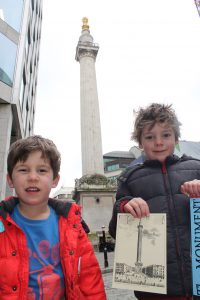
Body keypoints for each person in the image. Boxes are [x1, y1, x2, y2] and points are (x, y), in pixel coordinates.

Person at [109, 103, 200, 300]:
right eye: (150, 137)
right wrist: (125, 206)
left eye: (166, 135)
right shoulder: (129, 178)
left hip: (197, 280)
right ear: (140, 142)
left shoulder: (196, 168)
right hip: (156, 290)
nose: (159, 142)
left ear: (176, 138)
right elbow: (116, 231)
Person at [0, 135, 106, 300]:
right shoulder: (2, 224)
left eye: (42, 170)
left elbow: (89, 278)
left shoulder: (72, 226)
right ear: (10, 179)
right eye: (23, 170)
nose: (33, 177)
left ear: (55, 180)